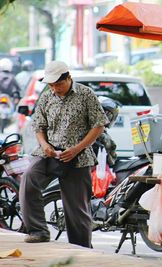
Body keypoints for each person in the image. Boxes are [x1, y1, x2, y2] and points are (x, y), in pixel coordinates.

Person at [19, 60, 108, 248]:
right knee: (29, 180)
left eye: (58, 84)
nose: (55, 88)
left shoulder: (85, 94)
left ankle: (81, 248)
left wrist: (77, 148)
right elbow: (39, 126)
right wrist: (44, 145)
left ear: (69, 78)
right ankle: (38, 231)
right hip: (48, 154)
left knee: (77, 209)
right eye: (51, 85)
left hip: (77, 157)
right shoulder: (47, 96)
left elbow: (98, 125)